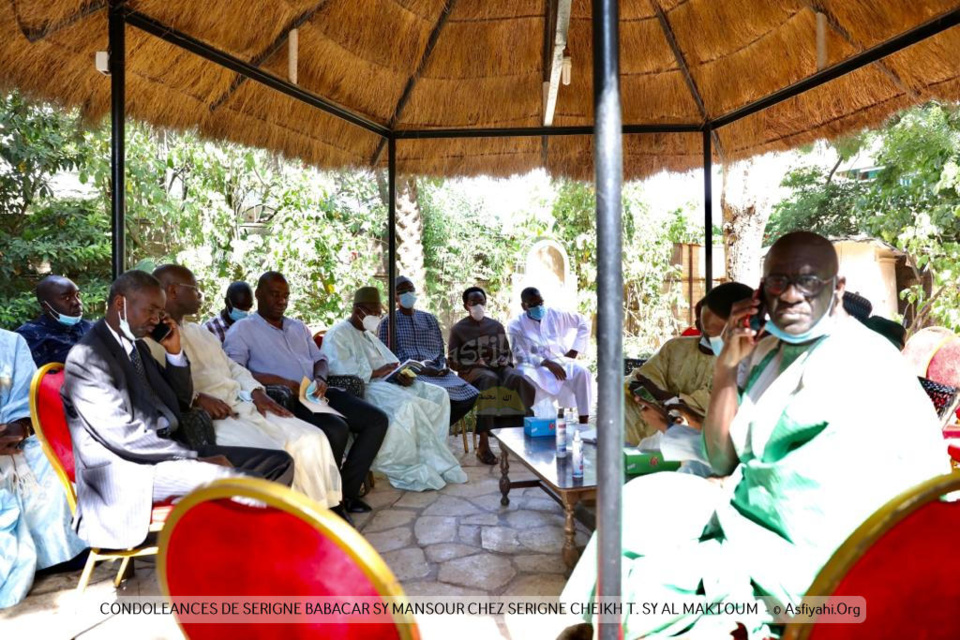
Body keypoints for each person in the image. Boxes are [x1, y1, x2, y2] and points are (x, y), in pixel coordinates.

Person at [561, 231, 951, 639]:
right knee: (633, 507)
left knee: (653, 586)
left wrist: (726, 493)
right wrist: (727, 367)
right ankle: (589, 622)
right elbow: (721, 458)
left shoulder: (860, 360)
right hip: (753, 513)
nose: (791, 295)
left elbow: (809, 500)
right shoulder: (768, 351)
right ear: (761, 292)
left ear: (837, 288)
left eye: (808, 281)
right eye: (778, 282)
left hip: (820, 549)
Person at [61, 271, 294, 551]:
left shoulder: (136, 348)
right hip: (129, 472)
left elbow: (180, 401)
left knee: (279, 462)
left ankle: (231, 548)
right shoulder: (88, 357)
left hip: (165, 454)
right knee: (245, 483)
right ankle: (251, 559)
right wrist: (193, 458)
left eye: (160, 312)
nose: (156, 319)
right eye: (150, 310)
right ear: (120, 304)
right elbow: (123, 438)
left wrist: (173, 352)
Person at [149, 265, 343, 511]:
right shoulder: (151, 338)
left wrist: (257, 392)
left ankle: (323, 512)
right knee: (277, 454)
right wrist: (197, 399)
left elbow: (233, 367)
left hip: (244, 403)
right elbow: (160, 386)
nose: (200, 295)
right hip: (215, 418)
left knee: (312, 438)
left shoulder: (201, 332)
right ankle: (286, 521)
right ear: (173, 291)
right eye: (195, 290)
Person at [223, 271, 387, 514]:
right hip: (286, 398)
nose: (281, 301)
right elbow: (236, 370)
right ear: (258, 294)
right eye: (275, 294)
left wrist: (321, 377)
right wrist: (279, 381)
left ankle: (346, 493)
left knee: (376, 420)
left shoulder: (297, 327)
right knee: (336, 429)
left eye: (286, 295)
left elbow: (320, 359)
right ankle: (331, 506)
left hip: (316, 392)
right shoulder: (242, 330)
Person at [321, 286, 467, 491]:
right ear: (357, 310)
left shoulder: (368, 335)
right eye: (372, 312)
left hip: (385, 383)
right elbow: (340, 372)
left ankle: (432, 457)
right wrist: (377, 372)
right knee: (407, 404)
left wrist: (399, 374)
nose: (376, 316)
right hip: (363, 389)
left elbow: (391, 363)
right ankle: (408, 463)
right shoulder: (337, 334)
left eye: (378, 312)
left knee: (438, 394)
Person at [0, 329, 87, 608]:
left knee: (48, 457)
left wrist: (20, 427)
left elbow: (24, 405)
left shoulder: (11, 342)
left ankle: (61, 553)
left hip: (11, 443)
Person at [624, 282, 753, 445]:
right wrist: (656, 398)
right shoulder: (676, 347)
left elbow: (714, 417)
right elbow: (645, 379)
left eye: (717, 334)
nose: (705, 333)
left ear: (743, 326)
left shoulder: (749, 365)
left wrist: (668, 402)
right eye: (703, 327)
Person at [448, 286, 536, 464]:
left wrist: (503, 360)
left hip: (498, 366)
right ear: (466, 305)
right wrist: (475, 362)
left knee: (518, 379)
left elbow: (507, 354)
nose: (478, 306)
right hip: (472, 371)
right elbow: (453, 361)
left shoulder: (496, 326)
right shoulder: (458, 329)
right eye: (474, 303)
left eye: (481, 302)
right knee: (490, 380)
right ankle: (483, 444)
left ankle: (524, 437)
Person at [378, 276, 479, 427]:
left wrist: (440, 368)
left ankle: (435, 429)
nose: (407, 293)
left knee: (471, 394)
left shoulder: (429, 319)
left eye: (410, 289)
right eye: (402, 291)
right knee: (436, 396)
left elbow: (440, 350)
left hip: (435, 372)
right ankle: (431, 430)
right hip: (410, 376)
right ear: (395, 297)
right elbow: (386, 356)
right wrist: (420, 370)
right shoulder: (388, 322)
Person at [507, 287, 592, 423]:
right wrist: (546, 362)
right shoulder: (516, 324)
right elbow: (520, 354)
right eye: (533, 304)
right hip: (533, 366)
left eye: (540, 303)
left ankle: (584, 419)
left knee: (583, 372)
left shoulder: (555, 314)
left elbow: (584, 322)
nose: (538, 307)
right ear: (524, 306)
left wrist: (575, 350)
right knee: (526, 377)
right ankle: (539, 421)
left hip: (561, 360)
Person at [16, 275, 94, 367]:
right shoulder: (30, 335)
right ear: (46, 306)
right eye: (66, 298)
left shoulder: (92, 327)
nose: (77, 303)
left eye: (77, 295)